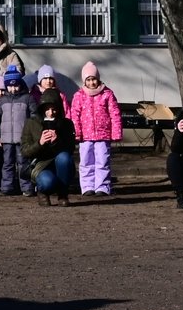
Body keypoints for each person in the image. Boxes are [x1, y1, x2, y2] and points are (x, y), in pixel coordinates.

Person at [70, 62, 122, 196]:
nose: (92, 82)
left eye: (94, 79)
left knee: (102, 161)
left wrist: (116, 132)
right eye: (89, 80)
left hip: (103, 134)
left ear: (98, 79)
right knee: (86, 161)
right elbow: (74, 115)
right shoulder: (79, 95)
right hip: (85, 136)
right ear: (84, 81)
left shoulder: (107, 94)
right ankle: (87, 186)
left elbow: (114, 113)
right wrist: (77, 132)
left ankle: (102, 187)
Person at [23, 93, 76, 205]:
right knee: (47, 182)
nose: (51, 113)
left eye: (54, 109)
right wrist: (40, 143)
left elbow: (71, 149)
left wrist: (57, 141)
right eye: (47, 109)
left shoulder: (67, 124)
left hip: (61, 163)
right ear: (41, 109)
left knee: (64, 158)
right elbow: (25, 151)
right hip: (40, 164)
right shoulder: (31, 123)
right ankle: (42, 192)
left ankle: (63, 195)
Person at [0, 65, 32, 196]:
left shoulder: (27, 98)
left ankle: (26, 187)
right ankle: (7, 187)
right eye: (10, 86)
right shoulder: (2, 101)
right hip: (6, 139)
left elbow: (34, 117)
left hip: (23, 138)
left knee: (23, 163)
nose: (13, 88)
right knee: (7, 163)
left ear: (20, 84)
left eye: (16, 85)